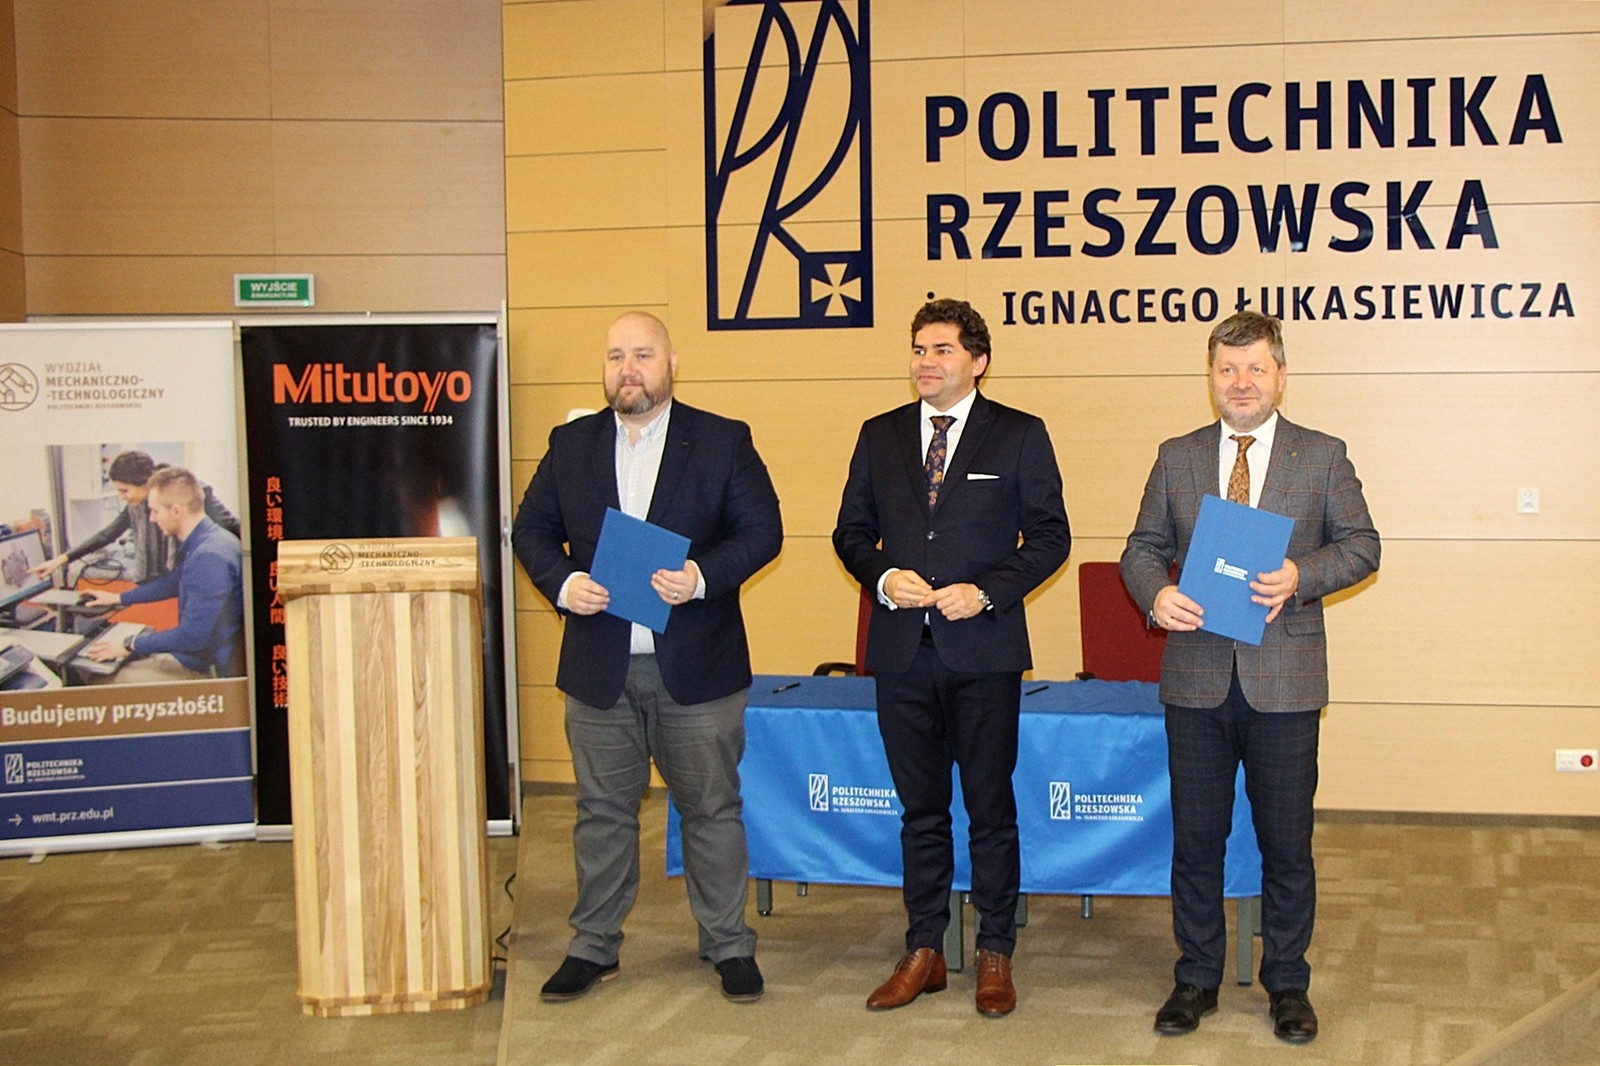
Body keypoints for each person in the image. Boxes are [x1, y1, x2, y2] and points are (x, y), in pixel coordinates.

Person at [1119, 312, 1380, 1044]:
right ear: (1211, 378)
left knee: (1287, 844)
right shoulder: (1177, 457)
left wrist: (1302, 575)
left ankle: (1288, 983)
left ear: (1280, 376)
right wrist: (1155, 594)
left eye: (1255, 368)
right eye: (1227, 370)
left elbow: (1363, 545)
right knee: (1196, 841)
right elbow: (1140, 549)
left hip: (1285, 682)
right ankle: (1196, 976)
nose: (1241, 383)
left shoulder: (1321, 456)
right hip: (1196, 679)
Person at [510, 311, 782, 1004]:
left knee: (711, 810)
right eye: (615, 357)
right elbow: (530, 529)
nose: (627, 369)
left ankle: (728, 944)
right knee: (601, 813)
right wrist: (564, 584)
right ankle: (593, 945)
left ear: (671, 363)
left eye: (642, 354)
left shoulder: (721, 439)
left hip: (698, 666)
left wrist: (701, 576)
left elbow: (762, 531)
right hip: (599, 668)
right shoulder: (571, 444)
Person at [833, 298, 1071, 1017]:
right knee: (920, 812)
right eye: (918, 349)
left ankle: (996, 949)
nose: (926, 362)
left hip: (984, 651)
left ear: (978, 361)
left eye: (942, 350)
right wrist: (882, 577)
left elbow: (1050, 537)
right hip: (902, 653)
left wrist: (988, 592)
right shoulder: (879, 435)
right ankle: (925, 949)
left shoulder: (1019, 434)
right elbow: (850, 532)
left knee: (990, 809)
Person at [82, 467, 246, 681]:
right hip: (199, 657)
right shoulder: (209, 540)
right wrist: (118, 598)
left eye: (155, 511)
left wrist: (130, 643)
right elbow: (174, 582)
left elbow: (192, 637)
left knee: (102, 679)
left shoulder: (209, 556)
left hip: (206, 670)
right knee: (121, 662)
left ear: (176, 511)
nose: (151, 519)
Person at [32, 450, 240, 584]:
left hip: (188, 581)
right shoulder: (136, 505)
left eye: (125, 490)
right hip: (156, 583)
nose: (122, 497)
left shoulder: (192, 493)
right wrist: (61, 560)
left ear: (145, 483)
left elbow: (233, 527)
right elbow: (108, 534)